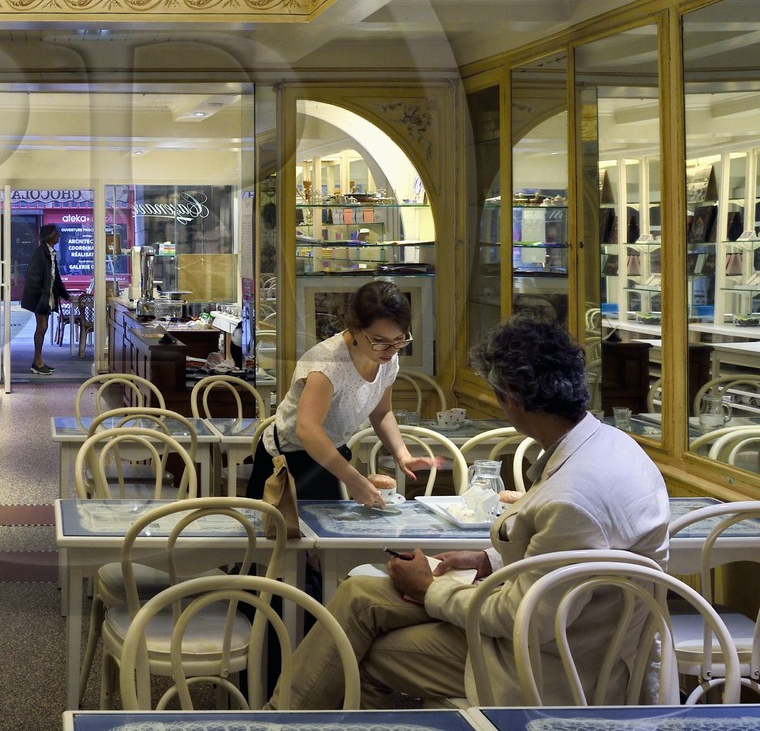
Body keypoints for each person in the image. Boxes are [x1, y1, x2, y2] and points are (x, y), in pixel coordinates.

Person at [272, 313, 671, 710]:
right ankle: (283, 717)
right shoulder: (615, 446)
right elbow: (569, 559)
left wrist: (431, 589)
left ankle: (283, 718)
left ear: (510, 398)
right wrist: (488, 559)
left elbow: (527, 619)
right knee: (358, 593)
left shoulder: (573, 499)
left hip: (554, 664)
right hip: (583, 630)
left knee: (365, 651)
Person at [245, 280, 438, 509]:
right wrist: (354, 479)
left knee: (325, 536)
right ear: (356, 328)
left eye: (399, 340)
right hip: (288, 459)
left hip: (328, 454)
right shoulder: (327, 363)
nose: (391, 350)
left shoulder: (386, 357)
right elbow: (307, 430)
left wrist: (402, 454)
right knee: (283, 537)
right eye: (379, 341)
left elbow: (382, 412)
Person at [21, 224, 69, 375]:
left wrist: (65, 295)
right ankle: (37, 363)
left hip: (46, 297)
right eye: (57, 233)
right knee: (41, 327)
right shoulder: (41, 252)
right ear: (49, 235)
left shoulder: (50, 253)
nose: (59, 236)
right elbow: (31, 275)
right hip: (41, 298)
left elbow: (56, 278)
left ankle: (38, 361)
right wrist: (41, 294)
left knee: (43, 327)